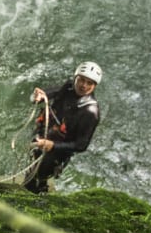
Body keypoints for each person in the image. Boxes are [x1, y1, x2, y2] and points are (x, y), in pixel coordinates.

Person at [25, 61, 102, 193]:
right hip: (43, 134)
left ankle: (38, 192)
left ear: (94, 86)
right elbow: (47, 94)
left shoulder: (90, 112)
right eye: (81, 80)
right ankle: (30, 183)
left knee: (40, 174)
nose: (84, 85)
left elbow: (81, 145)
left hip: (58, 151)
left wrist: (53, 145)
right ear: (75, 78)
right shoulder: (68, 87)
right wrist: (37, 96)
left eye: (89, 83)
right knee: (32, 166)